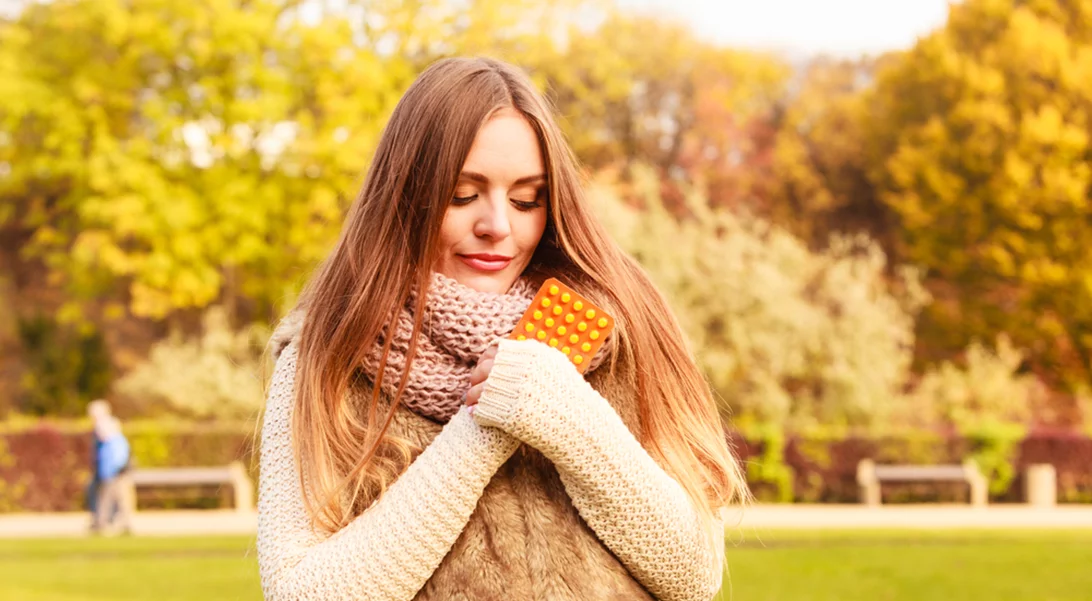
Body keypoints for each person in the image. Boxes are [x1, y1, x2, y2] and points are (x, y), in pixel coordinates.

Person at [258, 57, 749, 601]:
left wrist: (569, 416)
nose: (498, 225)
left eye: (526, 200)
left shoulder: (616, 330)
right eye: (462, 195)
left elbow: (695, 576)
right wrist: (482, 426)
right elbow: (301, 593)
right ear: (403, 197)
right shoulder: (324, 357)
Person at [87, 399, 132, 535]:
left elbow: (118, 454)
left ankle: (105, 523)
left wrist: (117, 467)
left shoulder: (110, 434)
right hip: (109, 470)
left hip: (114, 470)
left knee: (114, 497)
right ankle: (109, 522)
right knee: (113, 497)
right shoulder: (108, 436)